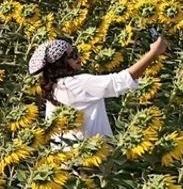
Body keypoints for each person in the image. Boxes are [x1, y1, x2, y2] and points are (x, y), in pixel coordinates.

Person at [28, 34, 168, 142]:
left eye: (76, 51)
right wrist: (153, 53)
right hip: (89, 160)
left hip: (66, 161)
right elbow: (121, 81)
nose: (78, 57)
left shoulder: (54, 87)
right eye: (72, 55)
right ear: (60, 63)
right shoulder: (77, 84)